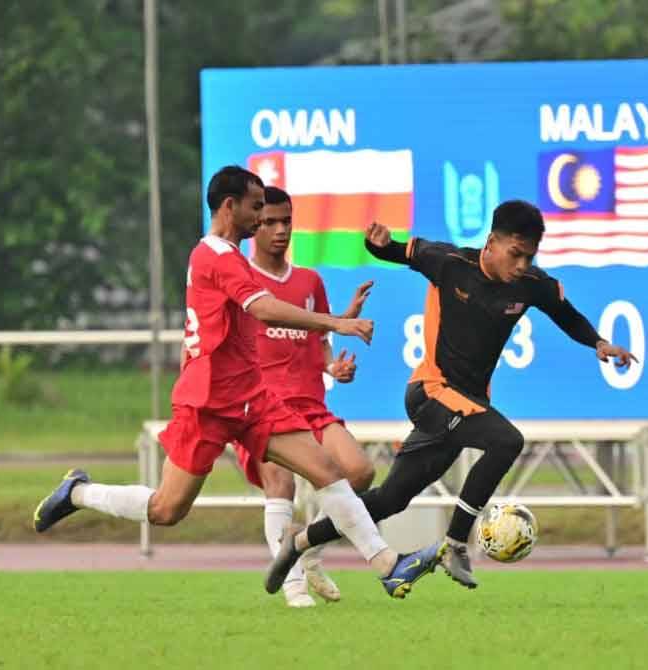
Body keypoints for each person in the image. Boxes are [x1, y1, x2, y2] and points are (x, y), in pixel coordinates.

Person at [33, 166, 438, 599]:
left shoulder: (229, 256)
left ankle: (387, 565)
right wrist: (337, 322)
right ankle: (78, 493)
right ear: (230, 206)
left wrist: (327, 341)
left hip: (251, 397)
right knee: (167, 509)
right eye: (257, 208)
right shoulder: (216, 256)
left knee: (328, 470)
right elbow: (264, 309)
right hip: (207, 402)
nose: (263, 218)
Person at [264, 199, 637, 593]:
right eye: (516, 254)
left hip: (467, 405)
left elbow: (565, 313)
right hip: (431, 392)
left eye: (529, 256)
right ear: (492, 242)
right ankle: (457, 543)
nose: (522, 265)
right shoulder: (448, 262)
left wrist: (597, 342)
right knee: (507, 441)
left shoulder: (532, 285)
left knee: (391, 499)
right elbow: (393, 251)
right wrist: (379, 244)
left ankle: (301, 540)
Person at [243, 185, 376, 607]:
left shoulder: (308, 281)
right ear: (253, 226)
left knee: (360, 472)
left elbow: (316, 341)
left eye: (286, 221)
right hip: (262, 407)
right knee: (279, 482)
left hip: (310, 406)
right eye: (269, 222)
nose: (280, 231)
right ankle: (294, 588)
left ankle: (309, 551)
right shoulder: (241, 281)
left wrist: (333, 367)